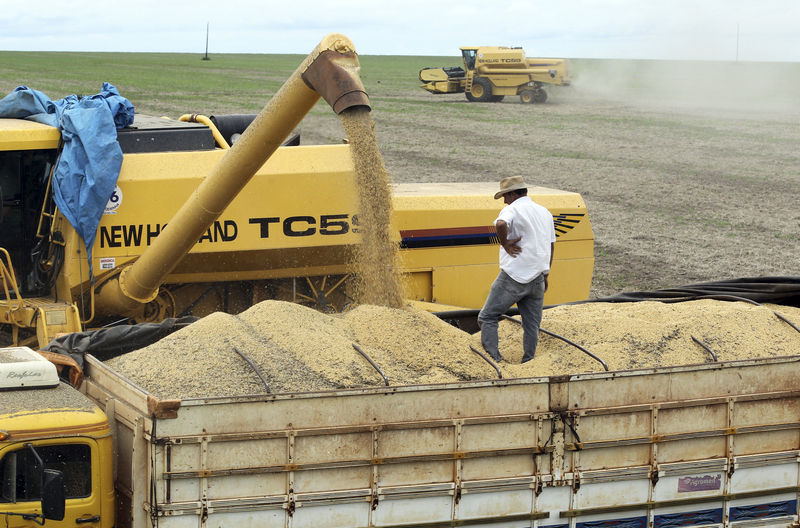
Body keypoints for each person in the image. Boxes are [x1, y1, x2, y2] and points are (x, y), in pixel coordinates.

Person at [478, 176, 555, 363]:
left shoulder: (512, 209)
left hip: (513, 276)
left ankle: (493, 360)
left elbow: (500, 224)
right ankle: (528, 361)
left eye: (505, 195)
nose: (504, 200)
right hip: (538, 277)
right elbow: (551, 245)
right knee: (531, 325)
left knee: (487, 317)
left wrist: (504, 243)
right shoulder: (545, 212)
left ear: (513, 194)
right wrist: (545, 273)